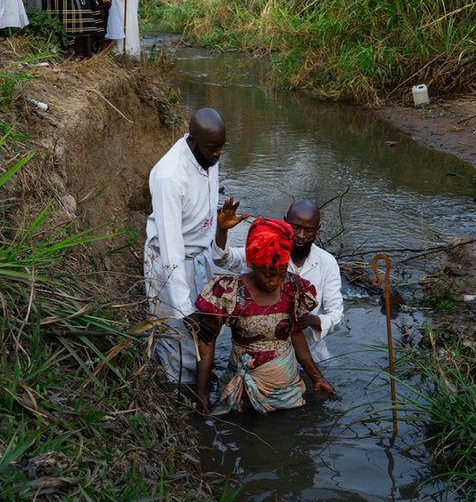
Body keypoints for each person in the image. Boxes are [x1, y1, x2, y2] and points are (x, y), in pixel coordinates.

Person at [190, 217, 335, 414]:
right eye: (268, 274)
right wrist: (202, 393)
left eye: (281, 273)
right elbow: (207, 342)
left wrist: (318, 378)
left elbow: (296, 334)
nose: (275, 282)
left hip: (286, 393)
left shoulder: (293, 289)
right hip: (241, 390)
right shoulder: (229, 293)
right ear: (253, 264)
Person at [145, 108, 227, 385]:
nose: (217, 154)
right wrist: (183, 307)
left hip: (199, 257)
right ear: (193, 141)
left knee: (203, 335)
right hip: (169, 266)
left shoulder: (207, 159)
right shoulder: (170, 177)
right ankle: (174, 395)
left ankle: (200, 384)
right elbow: (171, 248)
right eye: (212, 148)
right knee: (175, 339)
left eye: (221, 147)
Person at [213, 198, 344, 362]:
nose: (301, 236)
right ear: (285, 222)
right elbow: (223, 259)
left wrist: (313, 320)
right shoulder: (265, 251)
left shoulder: (327, 262)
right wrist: (222, 231)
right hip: (262, 354)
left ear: (318, 230)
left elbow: (337, 315)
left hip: (311, 352)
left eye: (309, 230)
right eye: (296, 228)